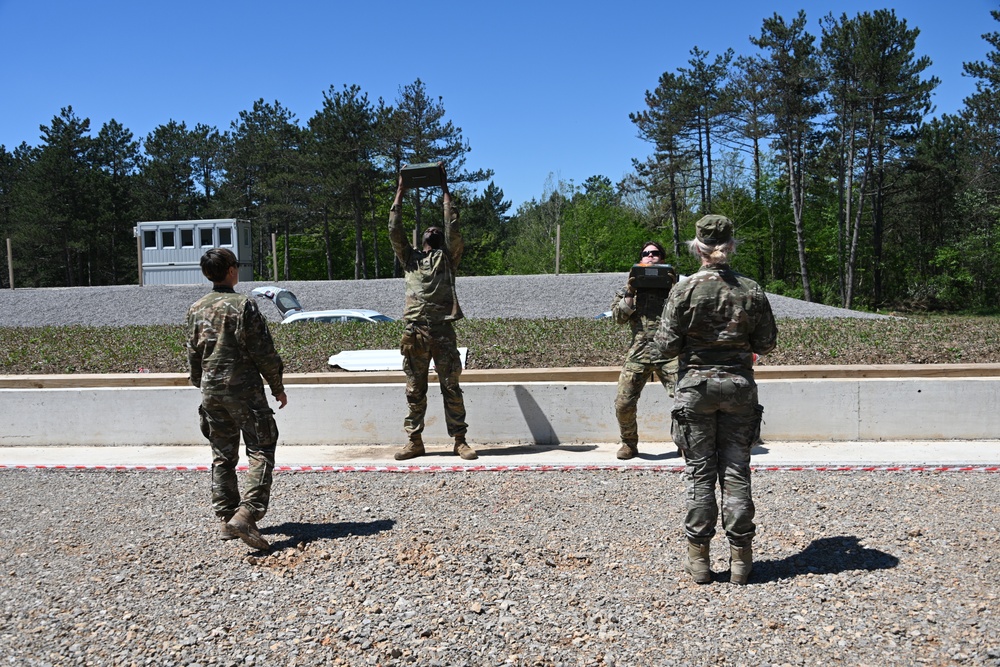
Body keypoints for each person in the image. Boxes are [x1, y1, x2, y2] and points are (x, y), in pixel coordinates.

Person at [654, 215, 777, 585]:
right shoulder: (750, 289)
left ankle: (700, 562)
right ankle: (741, 562)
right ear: (731, 245)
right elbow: (767, 344)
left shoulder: (684, 289)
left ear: (698, 247)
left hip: (695, 390)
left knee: (700, 474)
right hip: (739, 388)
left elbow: (664, 346)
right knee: (737, 472)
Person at [187, 248, 288, 551]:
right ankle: (248, 513)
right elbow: (263, 351)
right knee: (261, 447)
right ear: (231, 270)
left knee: (222, 454)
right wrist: (277, 385)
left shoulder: (196, 308)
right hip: (243, 390)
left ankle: (226, 520)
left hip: (211, 391)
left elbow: (193, 353)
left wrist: (202, 383)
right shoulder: (244, 305)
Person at [388, 163, 476, 461]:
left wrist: (444, 188)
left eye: (436, 228)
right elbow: (393, 229)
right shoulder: (409, 258)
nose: (433, 229)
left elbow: (452, 227)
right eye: (429, 229)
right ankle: (414, 441)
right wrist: (400, 190)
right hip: (414, 332)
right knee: (415, 390)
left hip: (442, 330)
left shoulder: (447, 258)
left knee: (451, 386)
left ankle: (460, 440)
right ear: (421, 238)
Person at [610, 240, 677, 460]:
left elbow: (689, 316)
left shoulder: (677, 288)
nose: (650, 256)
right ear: (641, 259)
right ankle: (629, 444)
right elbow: (618, 319)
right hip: (639, 353)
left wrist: (675, 289)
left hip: (669, 352)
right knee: (624, 403)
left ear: (662, 259)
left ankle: (685, 443)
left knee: (687, 399)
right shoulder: (627, 289)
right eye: (646, 253)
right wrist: (630, 292)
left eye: (655, 253)